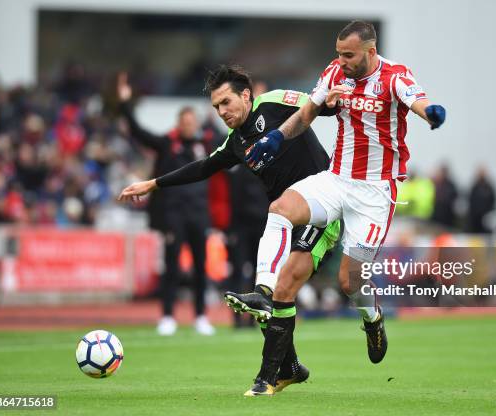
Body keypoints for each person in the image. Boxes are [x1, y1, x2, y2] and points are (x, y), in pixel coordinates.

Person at [239, 20, 446, 395]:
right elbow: (306, 113)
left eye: (348, 54)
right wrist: (275, 136)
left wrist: (431, 113)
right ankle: (263, 291)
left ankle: (372, 316)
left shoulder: (395, 75)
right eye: (338, 53)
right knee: (280, 209)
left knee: (350, 282)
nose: (341, 60)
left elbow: (417, 100)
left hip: (375, 195)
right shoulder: (335, 71)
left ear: (370, 51)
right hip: (336, 179)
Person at [118, 65, 341, 393]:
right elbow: (204, 167)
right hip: (284, 220)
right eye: (216, 107)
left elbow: (317, 105)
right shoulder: (236, 142)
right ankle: (289, 367)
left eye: (226, 102)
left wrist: (337, 102)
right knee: (270, 296)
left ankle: (268, 377)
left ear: (246, 95)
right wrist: (152, 184)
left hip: (322, 212)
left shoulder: (277, 102)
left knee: (280, 290)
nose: (221, 112)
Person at [117, 73, 215, 336]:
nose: (188, 125)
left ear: (196, 124)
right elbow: (138, 133)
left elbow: (231, 138)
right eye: (185, 121)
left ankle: (201, 316)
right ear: (178, 123)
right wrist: (125, 104)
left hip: (198, 214)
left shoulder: (205, 144)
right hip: (173, 215)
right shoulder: (165, 144)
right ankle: (168, 316)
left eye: (192, 121)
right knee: (172, 266)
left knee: (200, 266)